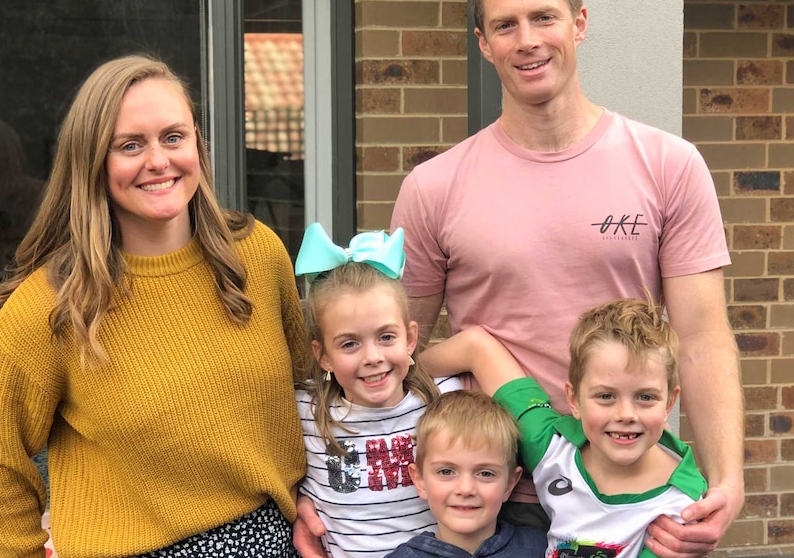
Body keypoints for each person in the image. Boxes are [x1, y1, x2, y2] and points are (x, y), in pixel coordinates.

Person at [386, 0, 744, 556]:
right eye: (506, 26)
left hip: (630, 503)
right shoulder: (433, 189)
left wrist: (726, 480)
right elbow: (399, 358)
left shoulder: (669, 166)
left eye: (543, 18)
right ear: (483, 43)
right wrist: (334, 493)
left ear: (578, 23)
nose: (528, 41)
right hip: (489, 503)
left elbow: (702, 336)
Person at [0, 54, 308, 558]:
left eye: (174, 137)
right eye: (130, 145)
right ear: (93, 163)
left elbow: (303, 392)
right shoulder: (51, 306)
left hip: (273, 542)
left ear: (198, 144)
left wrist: (318, 502)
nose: (158, 160)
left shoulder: (257, 255)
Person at [423, 296, 707, 558]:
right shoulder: (552, 446)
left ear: (669, 402)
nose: (625, 414)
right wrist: (396, 375)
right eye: (606, 396)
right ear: (573, 399)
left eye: (645, 397)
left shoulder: (683, 501)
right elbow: (477, 348)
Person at [293, 222, 463, 558]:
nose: (373, 357)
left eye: (386, 337)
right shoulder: (305, 411)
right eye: (350, 343)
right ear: (323, 355)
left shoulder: (442, 400)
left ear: (410, 339)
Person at [384, 390, 546, 558]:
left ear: (510, 483)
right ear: (420, 480)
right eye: (446, 471)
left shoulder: (541, 548)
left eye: (485, 473)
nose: (466, 489)